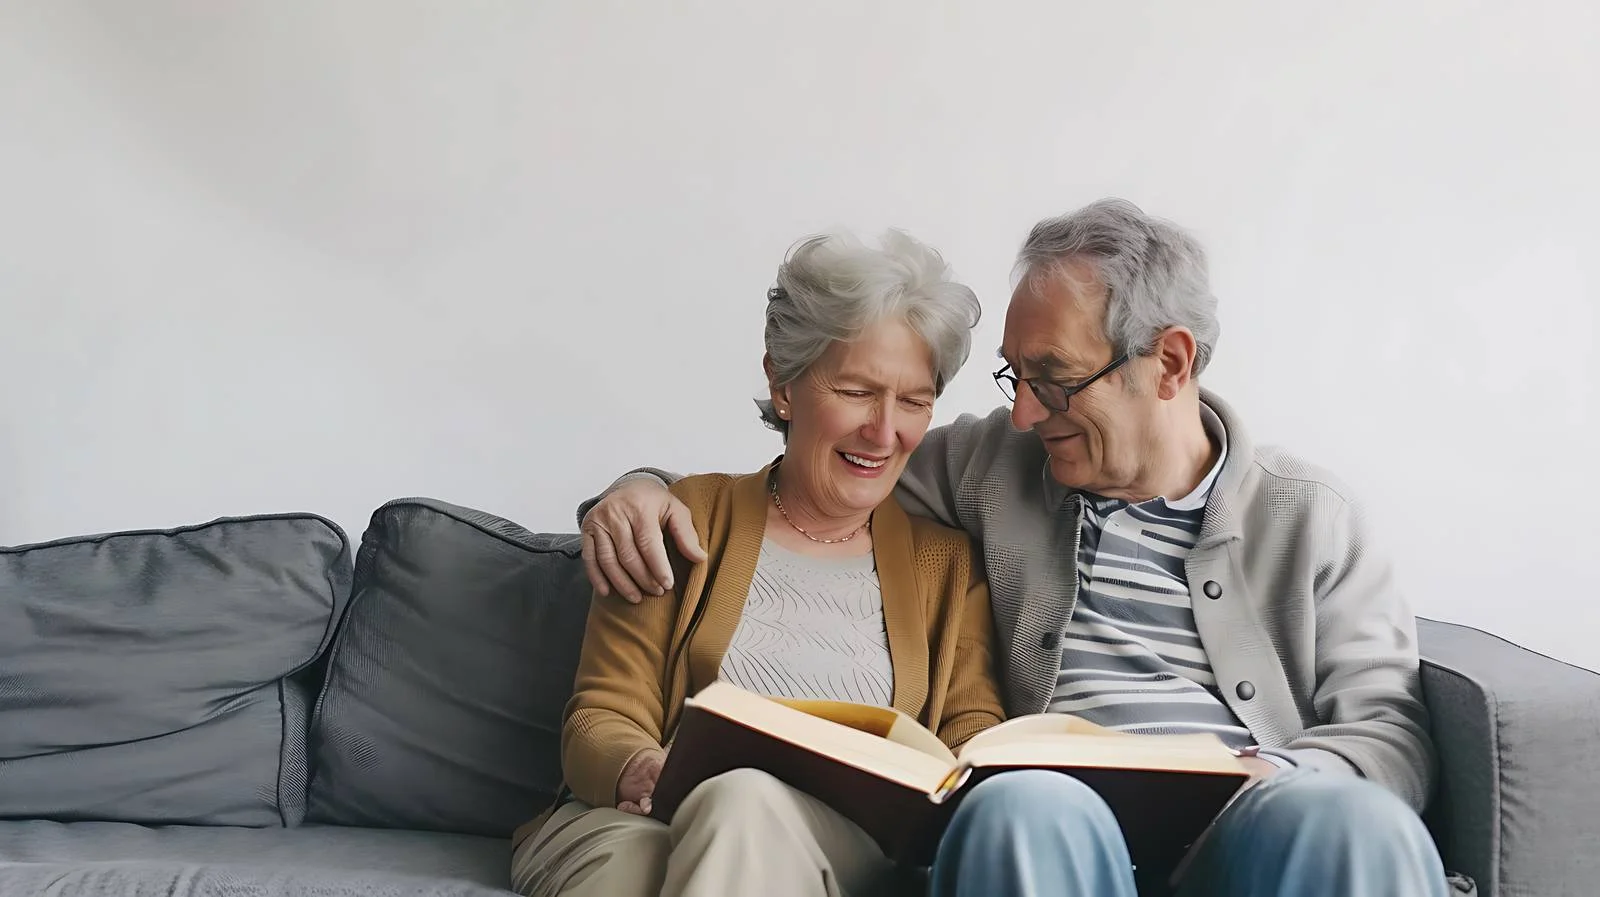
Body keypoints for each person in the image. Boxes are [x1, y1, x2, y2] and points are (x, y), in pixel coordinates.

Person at [577, 199, 1453, 897]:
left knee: (1355, 821)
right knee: (1023, 805)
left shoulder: (1312, 515)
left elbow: (1390, 733)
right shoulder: (1000, 463)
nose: (1026, 413)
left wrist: (1270, 772)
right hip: (1061, 815)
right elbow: (820, 475)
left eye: (1055, 379)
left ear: (1172, 363)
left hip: (1250, 824)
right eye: (1015, 376)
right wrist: (639, 486)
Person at [510, 229, 1005, 897]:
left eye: (914, 401)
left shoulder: (948, 564)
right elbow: (603, 709)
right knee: (644, 865)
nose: (885, 431)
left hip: (844, 843)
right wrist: (640, 765)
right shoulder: (683, 519)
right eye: (857, 390)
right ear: (783, 383)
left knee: (743, 800)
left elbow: (974, 728)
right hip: (648, 818)